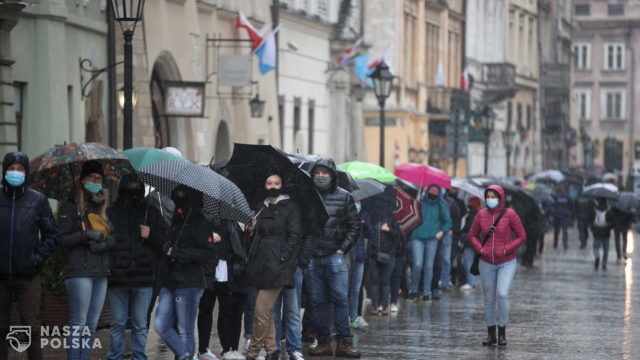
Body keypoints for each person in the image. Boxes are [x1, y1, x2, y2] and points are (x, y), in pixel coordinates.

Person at [0, 152, 58, 360]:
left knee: (32, 328)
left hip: (28, 275)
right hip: (1, 276)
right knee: (1, 327)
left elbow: (51, 235)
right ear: (4, 171)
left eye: (20, 169)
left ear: (26, 172)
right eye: (11, 168)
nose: (15, 173)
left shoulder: (38, 200)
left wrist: (37, 259)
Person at [153, 185, 220, 360]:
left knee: (185, 329)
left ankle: (185, 356)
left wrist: (177, 252)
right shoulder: (177, 218)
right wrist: (166, 246)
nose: (177, 196)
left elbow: (208, 253)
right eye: (175, 193)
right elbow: (168, 245)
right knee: (161, 324)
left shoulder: (200, 220)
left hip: (190, 282)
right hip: (170, 280)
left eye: (181, 193)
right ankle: (184, 354)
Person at [106, 173, 167, 360]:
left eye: (136, 187)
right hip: (118, 277)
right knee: (117, 322)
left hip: (143, 278)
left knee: (140, 324)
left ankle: (139, 356)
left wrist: (151, 235)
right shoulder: (111, 213)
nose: (133, 192)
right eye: (129, 187)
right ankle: (114, 356)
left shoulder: (152, 212)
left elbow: (164, 244)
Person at [58, 160, 114, 360]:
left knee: (92, 324)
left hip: (100, 271)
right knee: (78, 322)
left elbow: (112, 237)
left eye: (99, 179)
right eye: (92, 177)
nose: (96, 181)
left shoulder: (102, 208)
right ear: (83, 180)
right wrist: (86, 235)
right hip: (80, 272)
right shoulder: (72, 205)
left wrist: (105, 243)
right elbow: (61, 239)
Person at [306, 158, 361, 358]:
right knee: (317, 301)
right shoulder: (306, 197)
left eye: (325, 173)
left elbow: (355, 226)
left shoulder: (344, 197)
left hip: (335, 256)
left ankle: (344, 342)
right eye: (317, 173)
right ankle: (324, 342)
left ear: (332, 175)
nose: (320, 177)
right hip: (313, 257)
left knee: (340, 300)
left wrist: (342, 249)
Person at [244, 172, 302, 360]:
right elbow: (254, 234)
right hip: (258, 263)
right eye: (269, 183)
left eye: (277, 182)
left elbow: (295, 236)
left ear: (282, 184)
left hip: (278, 266)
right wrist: (251, 229)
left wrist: (282, 257)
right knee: (265, 312)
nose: (273, 186)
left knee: (261, 311)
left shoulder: (291, 206)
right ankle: (272, 350)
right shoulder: (260, 206)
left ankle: (252, 352)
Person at [469, 185, 526, 347]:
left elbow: (522, 236)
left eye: (494, 197)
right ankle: (490, 334)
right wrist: (479, 248)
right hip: (486, 262)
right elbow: (472, 234)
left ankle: (502, 331)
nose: (491, 200)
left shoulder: (510, 214)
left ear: (500, 198)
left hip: (506, 262)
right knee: (489, 299)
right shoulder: (480, 214)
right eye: (488, 197)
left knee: (502, 294)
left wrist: (508, 248)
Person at [197, 220, 248, 360]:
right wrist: (209, 237)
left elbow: (237, 246)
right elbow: (196, 235)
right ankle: (203, 349)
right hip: (209, 267)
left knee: (227, 309)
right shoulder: (206, 214)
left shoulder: (232, 220)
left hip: (226, 268)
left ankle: (228, 348)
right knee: (206, 309)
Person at [408, 184, 451, 302]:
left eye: (435, 193)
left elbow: (448, 221)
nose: (433, 194)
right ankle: (414, 290)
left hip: (432, 239)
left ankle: (427, 292)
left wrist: (442, 231)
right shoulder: (419, 202)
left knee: (428, 266)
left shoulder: (440, 205)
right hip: (417, 237)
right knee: (417, 264)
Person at [368, 215, 402, 315]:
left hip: (389, 254)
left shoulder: (392, 219)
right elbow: (368, 234)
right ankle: (375, 306)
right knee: (375, 281)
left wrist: (388, 229)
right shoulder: (372, 219)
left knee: (385, 282)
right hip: (374, 254)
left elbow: (398, 235)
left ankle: (385, 306)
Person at [348, 200, 374, 328]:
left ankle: (354, 317)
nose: (357, 204)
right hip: (346, 256)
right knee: (343, 288)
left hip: (360, 256)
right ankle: (343, 319)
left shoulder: (364, 214)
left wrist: (365, 225)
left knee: (356, 288)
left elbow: (371, 234)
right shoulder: (345, 212)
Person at [459, 197, 481, 290]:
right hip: (476, 242)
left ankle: (471, 283)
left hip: (469, 242)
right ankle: (471, 282)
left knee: (468, 261)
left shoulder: (471, 215)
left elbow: (467, 228)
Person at [589, 198, 614, 271]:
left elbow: (591, 221)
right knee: (606, 249)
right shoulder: (609, 212)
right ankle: (604, 263)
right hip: (606, 233)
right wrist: (609, 227)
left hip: (597, 233)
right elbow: (612, 223)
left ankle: (597, 256)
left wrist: (593, 230)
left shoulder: (594, 211)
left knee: (595, 247)